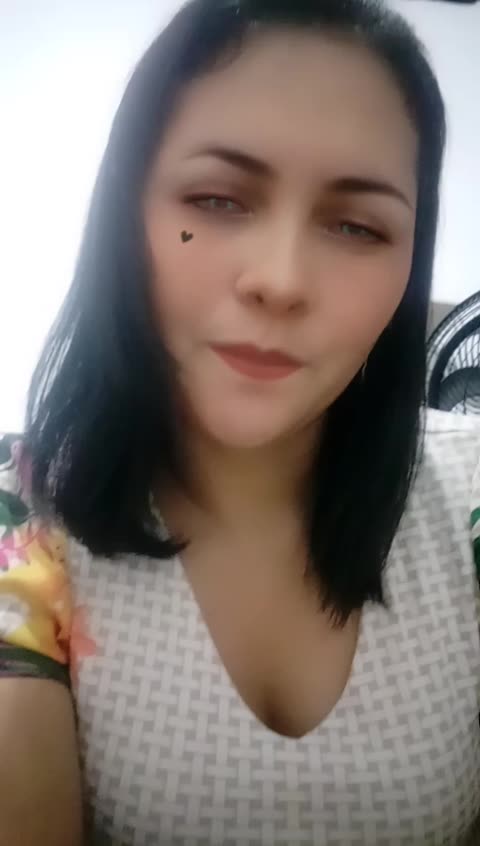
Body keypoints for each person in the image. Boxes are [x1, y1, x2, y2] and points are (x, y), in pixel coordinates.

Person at [1, 0, 479, 843]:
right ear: (126, 215)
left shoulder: (471, 497)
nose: (281, 280)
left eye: (356, 225)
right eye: (218, 199)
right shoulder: (25, 530)